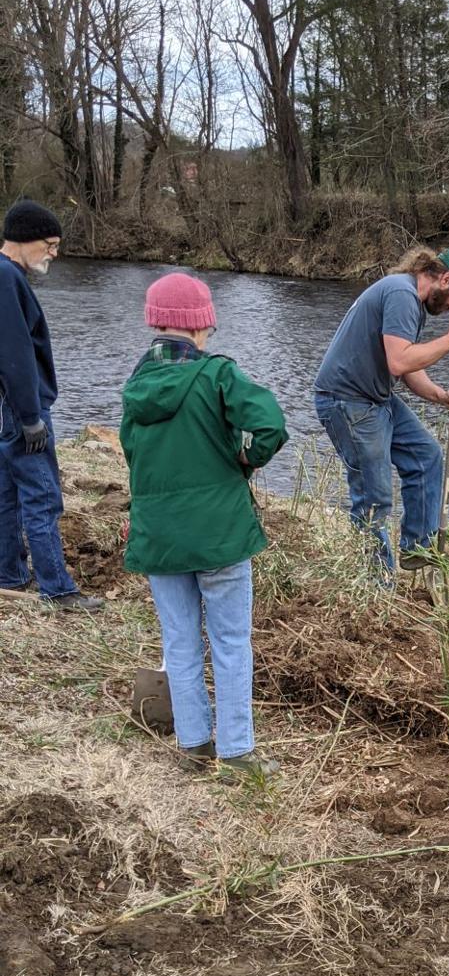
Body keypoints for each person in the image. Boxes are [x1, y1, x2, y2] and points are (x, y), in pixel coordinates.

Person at [120, 271, 288, 778]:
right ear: (200, 325)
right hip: (219, 534)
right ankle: (237, 750)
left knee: (179, 640)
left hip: (160, 536)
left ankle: (194, 743)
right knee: (231, 641)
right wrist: (245, 459)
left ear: (155, 324)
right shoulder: (218, 375)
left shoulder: (135, 384)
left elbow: (135, 463)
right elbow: (272, 425)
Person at [313, 245, 449, 573]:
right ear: (445, 279)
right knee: (374, 498)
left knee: (426, 457)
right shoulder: (402, 294)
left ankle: (417, 548)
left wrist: (439, 395)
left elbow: (404, 367)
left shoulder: (410, 300)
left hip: (375, 398)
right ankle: (375, 583)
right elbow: (400, 359)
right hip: (346, 400)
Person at [0, 197, 103, 612]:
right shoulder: (7, 277)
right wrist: (29, 417)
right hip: (21, 411)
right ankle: (59, 591)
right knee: (42, 497)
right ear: (26, 239)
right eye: (51, 243)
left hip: (7, 409)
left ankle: (9, 575)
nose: (55, 253)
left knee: (6, 495)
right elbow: (15, 353)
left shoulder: (6, 275)